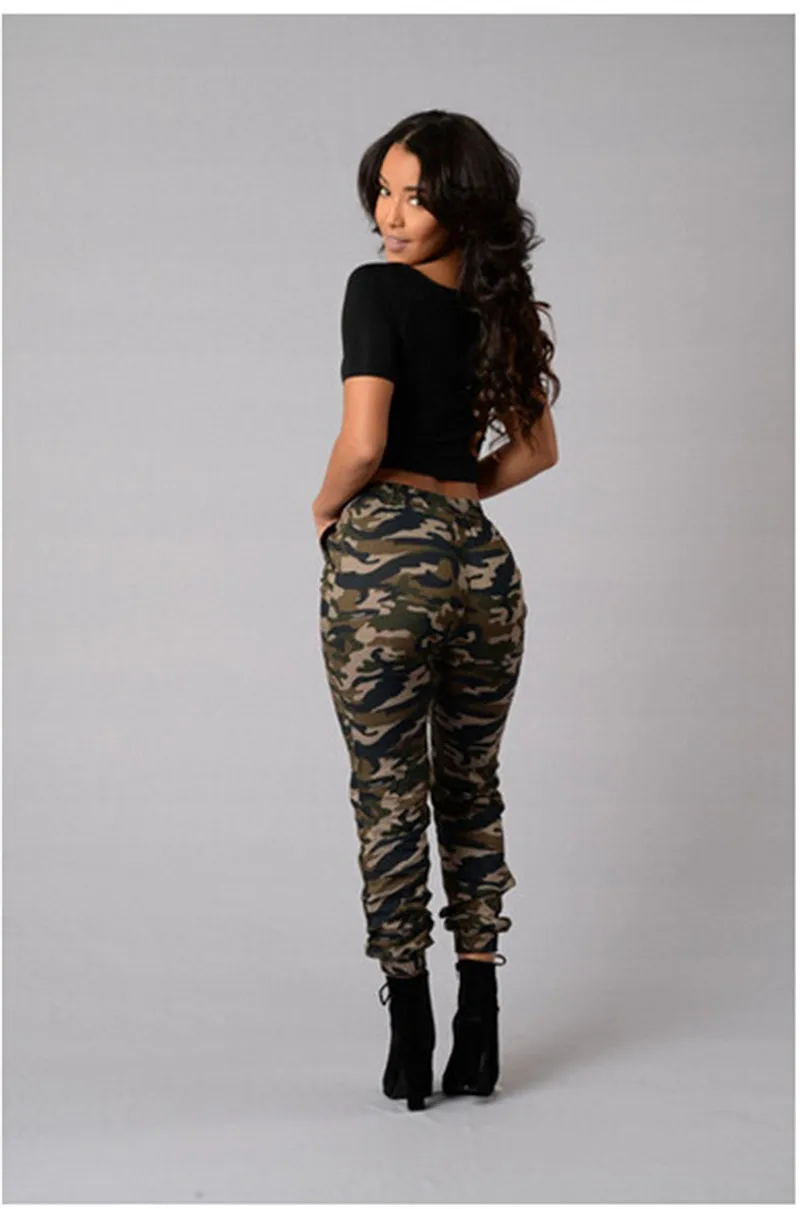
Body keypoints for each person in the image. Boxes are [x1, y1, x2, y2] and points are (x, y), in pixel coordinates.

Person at [312, 109, 560, 1111]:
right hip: (482, 566)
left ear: (461, 204)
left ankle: (409, 1038)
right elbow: (537, 450)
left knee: (388, 791)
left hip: (383, 558)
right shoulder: (503, 306)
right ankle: (481, 1030)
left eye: (415, 196)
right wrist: (456, 494)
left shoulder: (373, 290)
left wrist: (327, 508)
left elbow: (364, 442)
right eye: (383, 190)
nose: (390, 213)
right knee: (470, 785)